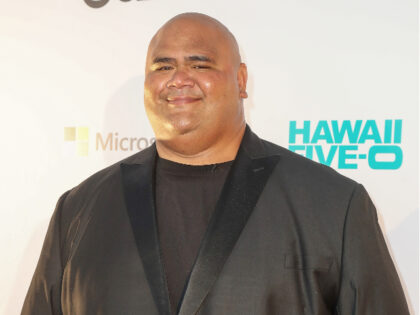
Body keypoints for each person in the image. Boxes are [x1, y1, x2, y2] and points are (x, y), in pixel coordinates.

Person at [22, 12, 409, 315]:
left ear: (241, 80)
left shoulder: (333, 206)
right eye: (162, 66)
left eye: (200, 64)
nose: (178, 79)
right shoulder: (77, 210)